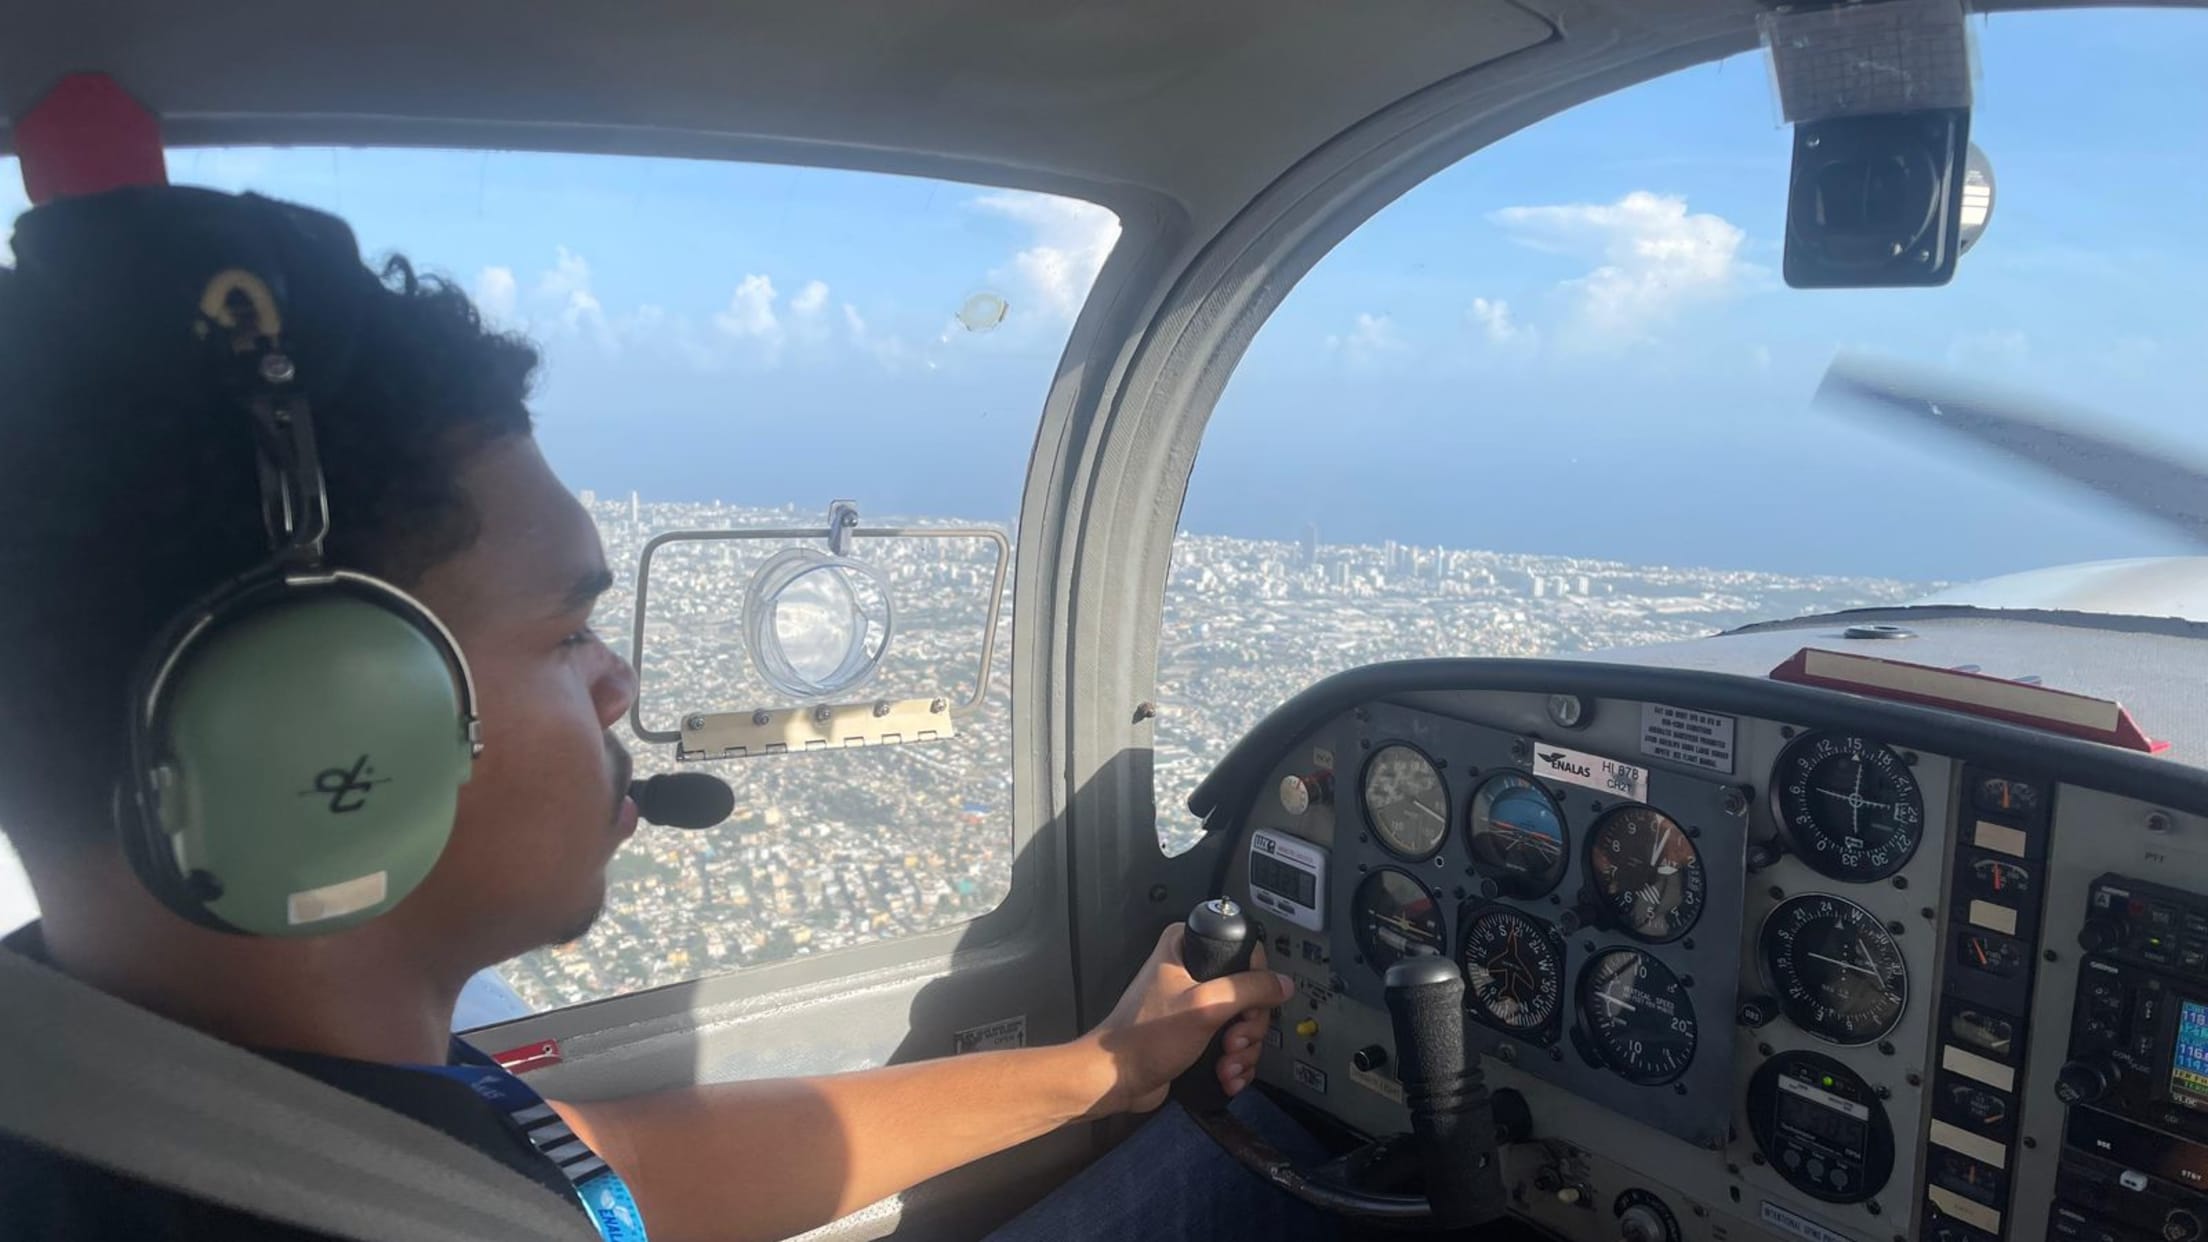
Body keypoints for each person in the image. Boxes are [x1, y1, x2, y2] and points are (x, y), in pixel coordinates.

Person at [0, 186, 1334, 1242]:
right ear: (317, 737)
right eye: (569, 629)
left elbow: (589, 1170)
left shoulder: (145, 1074)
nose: (620, 681)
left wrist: (1098, 1069)